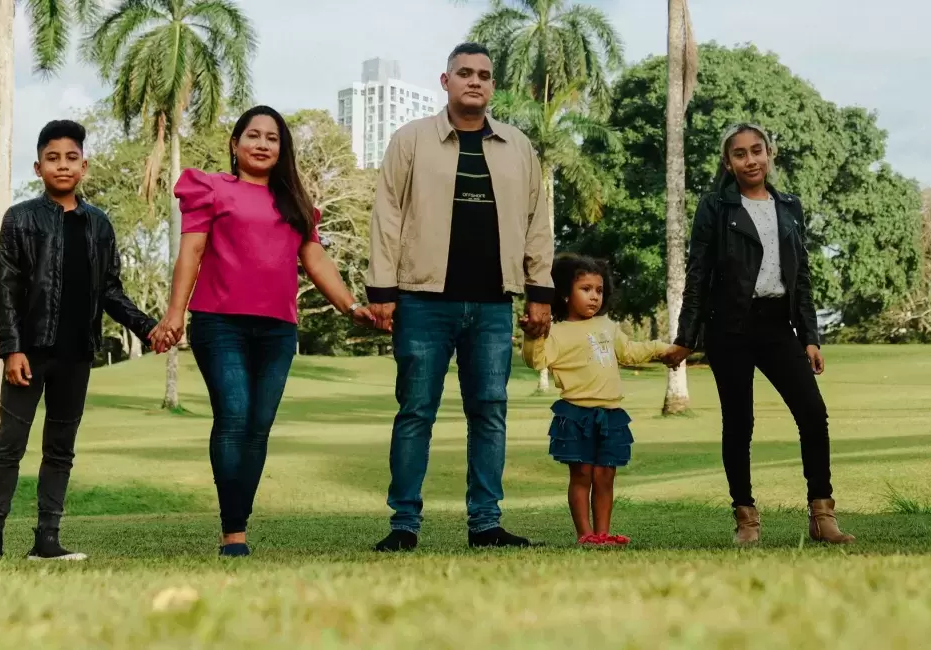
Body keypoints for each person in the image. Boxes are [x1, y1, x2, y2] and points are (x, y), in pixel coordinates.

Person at [154, 105, 372, 557]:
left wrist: (350, 306)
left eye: (272, 138)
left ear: (281, 148)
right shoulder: (211, 189)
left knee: (258, 426)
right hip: (220, 322)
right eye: (252, 135)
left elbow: (315, 260)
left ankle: (239, 521)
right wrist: (175, 315)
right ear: (235, 145)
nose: (262, 144)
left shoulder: (295, 204)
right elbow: (191, 253)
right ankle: (233, 531)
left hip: (277, 329)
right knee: (234, 416)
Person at [365, 42, 554, 552]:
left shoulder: (518, 146)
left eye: (485, 75)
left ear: (493, 86)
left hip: (493, 303)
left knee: (490, 411)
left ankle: (486, 523)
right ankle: (404, 525)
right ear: (445, 81)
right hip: (423, 299)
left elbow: (539, 222)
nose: (475, 81)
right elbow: (387, 215)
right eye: (464, 73)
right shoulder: (410, 140)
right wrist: (381, 289)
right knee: (415, 411)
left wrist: (540, 291)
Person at [0, 120, 169, 561]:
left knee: (60, 450)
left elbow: (111, 290)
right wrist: (12, 348)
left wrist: (147, 327)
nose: (63, 165)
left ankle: (47, 539)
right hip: (30, 353)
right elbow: (7, 288)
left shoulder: (99, 225)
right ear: (38, 167)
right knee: (9, 446)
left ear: (84, 165)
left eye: (72, 157)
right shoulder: (20, 219)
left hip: (77, 354)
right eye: (53, 158)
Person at [663, 123, 854, 545]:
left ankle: (822, 514)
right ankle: (746, 519)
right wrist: (686, 338)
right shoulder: (715, 206)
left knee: (812, 413)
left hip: (776, 326)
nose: (750, 160)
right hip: (728, 327)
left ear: (770, 154)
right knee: (739, 423)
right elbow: (698, 274)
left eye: (756, 151)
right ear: (728, 162)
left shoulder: (789, 206)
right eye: (740, 154)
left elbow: (800, 276)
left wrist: (810, 336)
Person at [523, 255, 671, 547]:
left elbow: (629, 352)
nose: (594, 296)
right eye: (586, 289)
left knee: (605, 476)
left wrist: (662, 349)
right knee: (582, 476)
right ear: (565, 293)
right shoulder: (557, 332)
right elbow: (537, 360)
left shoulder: (608, 326)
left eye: (599, 290)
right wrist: (533, 336)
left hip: (611, 414)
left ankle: (603, 534)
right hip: (576, 414)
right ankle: (585, 535)